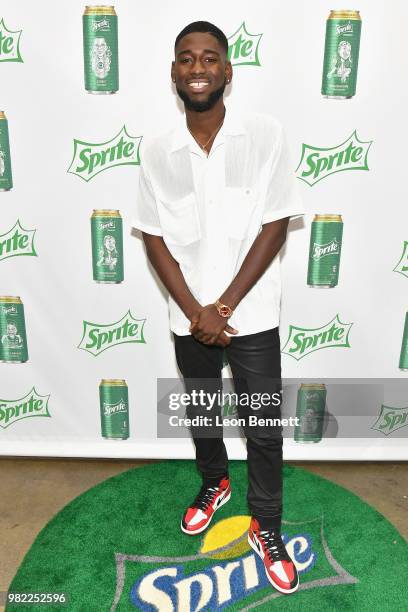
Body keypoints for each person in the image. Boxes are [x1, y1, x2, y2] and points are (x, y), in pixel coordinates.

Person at [132, 21, 304, 595]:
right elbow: (154, 237)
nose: (198, 67)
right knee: (204, 413)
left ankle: (268, 525)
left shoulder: (266, 135)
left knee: (263, 426)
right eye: (186, 58)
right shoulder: (155, 151)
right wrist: (195, 311)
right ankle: (214, 484)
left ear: (228, 71)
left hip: (252, 316)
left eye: (209, 58)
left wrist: (223, 307)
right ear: (174, 72)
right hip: (189, 316)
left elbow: (276, 221)